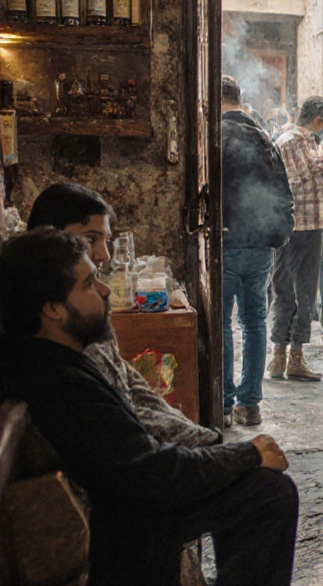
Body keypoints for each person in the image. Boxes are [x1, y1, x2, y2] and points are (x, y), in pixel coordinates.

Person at [0, 228, 299, 586]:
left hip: (128, 498)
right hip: (123, 528)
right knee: (269, 493)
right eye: (88, 284)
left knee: (257, 484)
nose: (105, 289)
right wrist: (248, 453)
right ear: (52, 309)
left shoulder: (57, 359)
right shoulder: (57, 380)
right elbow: (154, 475)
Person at [26, 183, 219, 447]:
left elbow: (128, 385)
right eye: (90, 239)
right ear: (51, 238)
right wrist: (207, 446)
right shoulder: (60, 322)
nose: (104, 254)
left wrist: (199, 436)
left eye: (105, 240)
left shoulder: (85, 310)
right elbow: (122, 414)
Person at [221, 75, 294, 426]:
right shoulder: (265, 138)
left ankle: (222, 403)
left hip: (226, 242)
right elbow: (283, 192)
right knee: (254, 322)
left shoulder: (215, 136)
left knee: (222, 323)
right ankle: (250, 405)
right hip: (261, 245)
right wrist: (277, 236)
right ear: (240, 98)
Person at [268, 95, 323, 384]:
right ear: (319, 119)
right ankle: (281, 354)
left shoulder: (306, 142)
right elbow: (296, 180)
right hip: (297, 226)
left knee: (304, 291)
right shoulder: (291, 140)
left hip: (311, 225)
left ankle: (293, 355)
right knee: (288, 290)